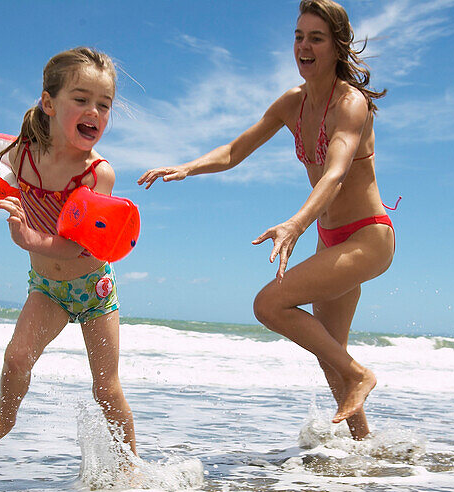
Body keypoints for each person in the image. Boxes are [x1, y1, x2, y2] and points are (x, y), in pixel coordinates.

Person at [138, 0, 395, 440]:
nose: (304, 46)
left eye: (316, 38)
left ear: (337, 46)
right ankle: (364, 449)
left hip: (368, 238)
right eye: (299, 36)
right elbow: (236, 151)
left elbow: (334, 175)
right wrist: (187, 167)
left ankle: (360, 376)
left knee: (269, 304)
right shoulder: (292, 104)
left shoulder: (350, 105)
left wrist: (295, 224)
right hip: (331, 238)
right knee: (329, 352)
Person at [0, 47, 136, 458]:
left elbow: (78, 244)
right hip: (47, 289)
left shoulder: (96, 173)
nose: (93, 111)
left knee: (105, 388)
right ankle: (4, 421)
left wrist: (28, 238)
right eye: (81, 99)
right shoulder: (21, 156)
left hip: (93, 287)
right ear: (48, 103)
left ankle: (131, 464)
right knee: (17, 357)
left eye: (104, 104)